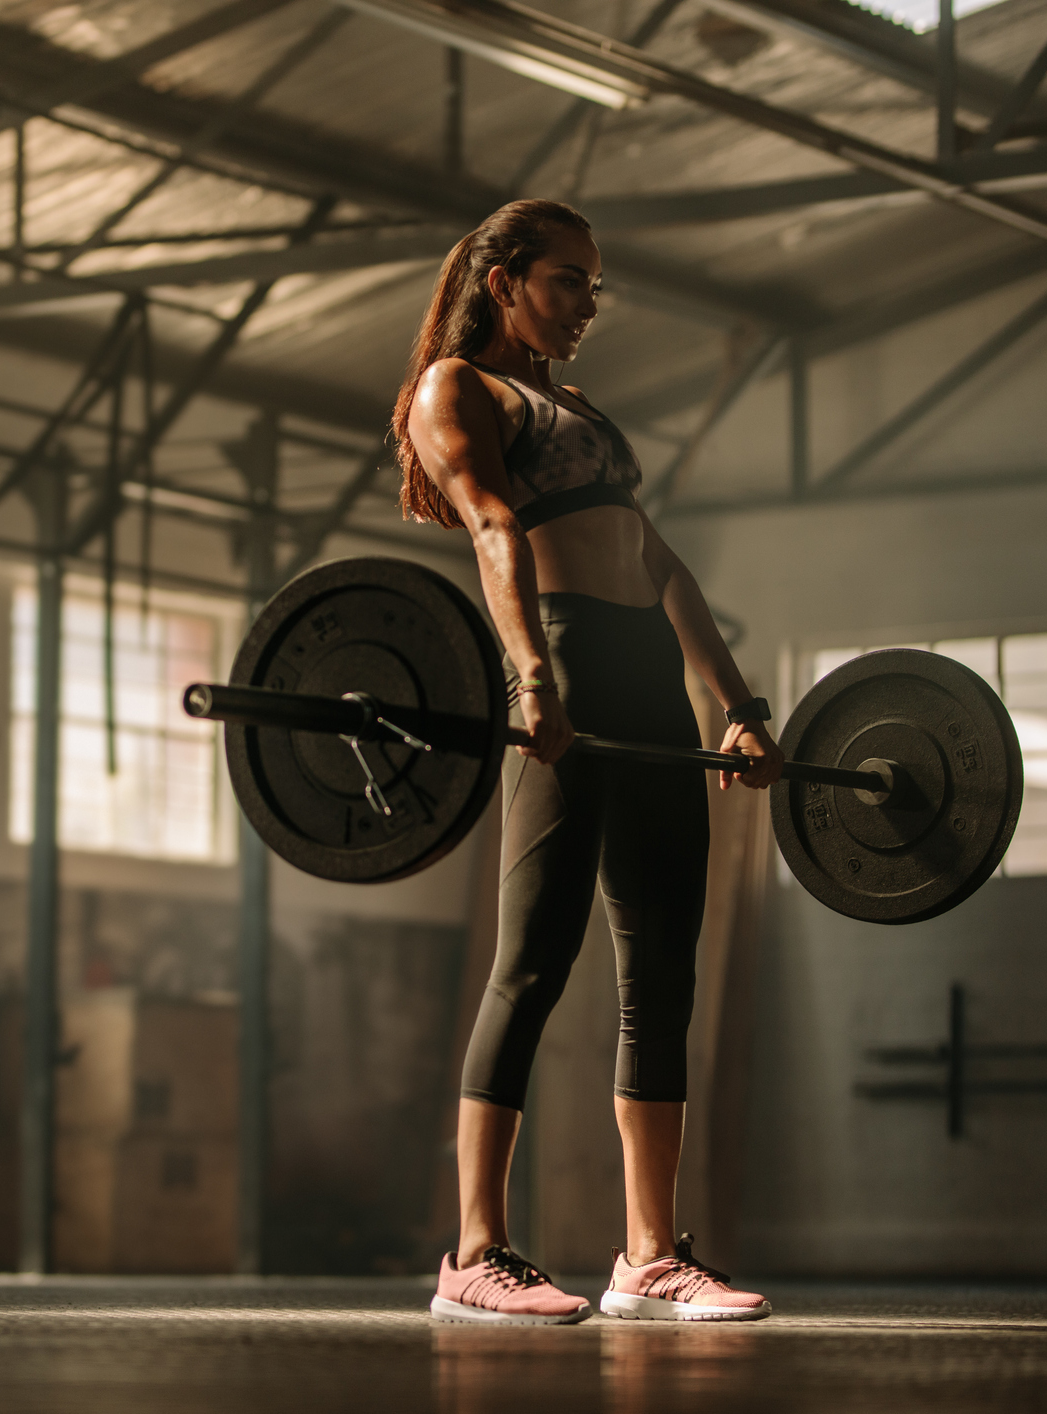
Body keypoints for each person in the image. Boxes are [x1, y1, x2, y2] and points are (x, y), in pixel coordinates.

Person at [397, 200, 781, 1325]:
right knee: (535, 958)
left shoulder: (583, 411)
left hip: (647, 675)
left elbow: (658, 560)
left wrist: (740, 705)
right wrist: (529, 676)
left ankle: (649, 1257)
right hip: (560, 656)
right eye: (568, 282)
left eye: (596, 289)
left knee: (664, 963)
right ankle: (474, 1251)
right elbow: (494, 531)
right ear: (505, 279)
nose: (587, 306)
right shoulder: (456, 390)